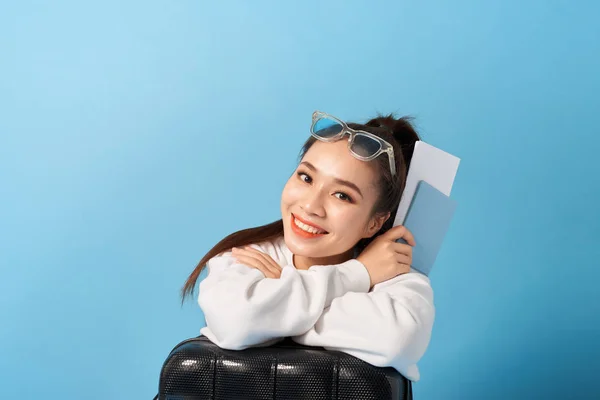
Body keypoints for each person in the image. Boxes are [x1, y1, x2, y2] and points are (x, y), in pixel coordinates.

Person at [181, 110, 435, 382]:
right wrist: (359, 274)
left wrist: (279, 302)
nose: (310, 206)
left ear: (374, 223)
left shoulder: (395, 273)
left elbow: (398, 338)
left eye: (342, 195)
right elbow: (238, 321)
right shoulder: (243, 256)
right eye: (306, 177)